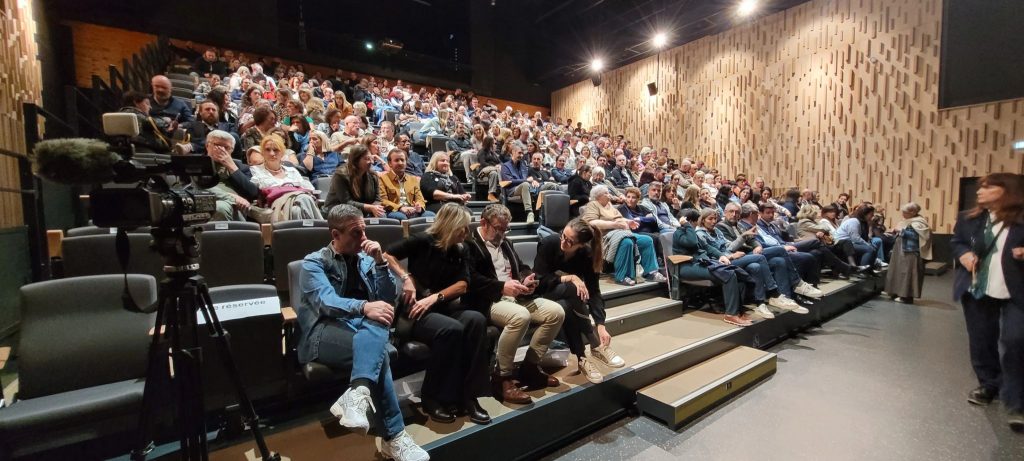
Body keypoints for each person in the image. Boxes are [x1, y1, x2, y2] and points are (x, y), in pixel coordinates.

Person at [297, 204, 429, 461]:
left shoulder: (368, 259)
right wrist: (364, 306)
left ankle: (359, 394)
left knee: (380, 323)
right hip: (322, 333)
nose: (363, 238)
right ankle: (395, 437)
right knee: (380, 354)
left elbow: (388, 298)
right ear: (335, 235)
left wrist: (381, 263)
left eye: (364, 231)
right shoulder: (314, 262)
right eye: (355, 233)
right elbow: (326, 302)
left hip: (363, 330)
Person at [384, 204, 491, 425]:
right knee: (452, 329)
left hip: (439, 306)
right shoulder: (422, 241)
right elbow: (387, 254)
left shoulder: (461, 249)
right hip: (415, 311)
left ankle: (468, 396)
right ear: (451, 225)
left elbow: (463, 285)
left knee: (476, 320)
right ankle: (432, 396)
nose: (466, 232)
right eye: (463, 227)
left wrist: (435, 297)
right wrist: (405, 279)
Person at [463, 204, 565, 403]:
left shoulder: (505, 242)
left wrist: (526, 279)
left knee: (556, 312)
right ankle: (502, 377)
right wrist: (501, 287)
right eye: (498, 228)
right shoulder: (469, 243)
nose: (502, 233)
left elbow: (522, 266)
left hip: (515, 296)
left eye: (505, 229)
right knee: (521, 317)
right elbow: (471, 279)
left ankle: (530, 367)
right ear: (483, 222)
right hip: (488, 299)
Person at [951, 173, 1024, 432]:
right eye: (980, 187)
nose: (980, 192)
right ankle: (988, 384)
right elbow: (957, 242)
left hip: (1016, 290)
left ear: (1008, 191)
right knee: (981, 340)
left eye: (988, 187)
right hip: (977, 287)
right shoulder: (969, 218)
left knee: (1016, 341)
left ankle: (1016, 401)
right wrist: (964, 255)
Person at [533, 219, 624, 384]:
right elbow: (539, 279)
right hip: (542, 293)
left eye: (570, 241)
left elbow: (594, 291)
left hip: (565, 300)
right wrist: (569, 277)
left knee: (567, 305)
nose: (563, 242)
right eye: (563, 235)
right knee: (575, 290)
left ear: (581, 245)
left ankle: (582, 358)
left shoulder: (586, 255)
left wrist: (601, 325)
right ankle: (595, 345)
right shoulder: (549, 243)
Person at [695, 208, 798, 319]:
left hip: (732, 257)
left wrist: (743, 237)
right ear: (703, 220)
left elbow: (730, 246)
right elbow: (708, 253)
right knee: (760, 258)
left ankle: (760, 303)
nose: (714, 221)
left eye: (715, 218)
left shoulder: (717, 231)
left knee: (755, 267)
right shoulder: (700, 234)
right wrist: (730, 255)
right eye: (710, 219)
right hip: (720, 263)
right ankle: (774, 293)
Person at [675, 209, 752, 326]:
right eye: (694, 221)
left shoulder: (692, 232)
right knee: (728, 274)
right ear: (688, 221)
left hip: (701, 263)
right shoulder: (679, 233)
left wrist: (721, 256)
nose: (696, 224)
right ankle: (731, 314)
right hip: (686, 266)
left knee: (736, 272)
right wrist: (686, 226)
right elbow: (691, 242)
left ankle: (738, 311)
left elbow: (708, 248)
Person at [580, 185, 666, 286]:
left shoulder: (609, 205)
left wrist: (629, 221)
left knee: (646, 240)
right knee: (626, 242)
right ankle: (622, 276)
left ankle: (651, 272)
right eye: (606, 193)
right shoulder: (593, 205)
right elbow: (591, 222)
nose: (609, 195)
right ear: (598, 196)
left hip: (620, 233)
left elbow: (619, 218)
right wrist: (614, 224)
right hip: (604, 237)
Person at [249, 135, 322, 221]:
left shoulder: (292, 170)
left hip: (297, 203)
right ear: (262, 153)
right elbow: (254, 193)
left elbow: (309, 188)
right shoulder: (256, 171)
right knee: (304, 198)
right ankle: (319, 228)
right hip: (276, 205)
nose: (272, 153)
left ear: (282, 153)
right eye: (268, 150)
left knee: (296, 210)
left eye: (276, 150)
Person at [201, 130, 262, 222]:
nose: (222, 150)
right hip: (205, 203)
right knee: (221, 206)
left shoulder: (241, 167)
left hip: (237, 210)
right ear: (207, 146)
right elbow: (193, 187)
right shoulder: (196, 164)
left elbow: (253, 193)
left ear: (232, 150)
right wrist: (229, 197)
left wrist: (232, 166)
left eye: (226, 147)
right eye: (217, 145)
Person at [885, 202, 932, 303]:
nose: (903, 214)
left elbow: (918, 236)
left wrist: (901, 231)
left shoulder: (919, 222)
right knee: (898, 271)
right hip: (900, 249)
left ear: (913, 212)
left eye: (905, 212)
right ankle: (896, 292)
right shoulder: (908, 220)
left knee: (908, 273)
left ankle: (906, 296)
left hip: (910, 251)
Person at [326, 144, 385, 217]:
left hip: (365, 210)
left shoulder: (373, 175)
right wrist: (370, 208)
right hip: (340, 210)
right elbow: (346, 202)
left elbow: (377, 198)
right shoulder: (341, 175)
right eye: (367, 159)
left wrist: (376, 208)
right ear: (356, 160)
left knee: (381, 216)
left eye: (371, 158)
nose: (371, 162)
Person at [377, 148, 434, 220]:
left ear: (406, 162)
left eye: (402, 160)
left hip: (412, 210)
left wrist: (419, 207)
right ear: (390, 163)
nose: (400, 163)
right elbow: (383, 201)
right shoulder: (382, 179)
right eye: (397, 160)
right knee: (402, 217)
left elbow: (420, 199)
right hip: (394, 210)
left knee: (430, 215)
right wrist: (400, 208)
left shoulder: (413, 179)